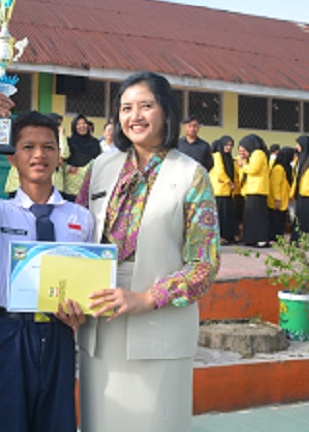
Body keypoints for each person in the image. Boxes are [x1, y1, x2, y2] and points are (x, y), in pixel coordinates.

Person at [72, 71, 220, 431]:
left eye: (145, 106)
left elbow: (204, 265)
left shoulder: (191, 175)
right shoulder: (100, 167)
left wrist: (146, 298)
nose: (134, 116)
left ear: (166, 112)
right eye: (126, 108)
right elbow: (74, 234)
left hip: (159, 323)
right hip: (100, 320)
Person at [0, 108, 91, 432]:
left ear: (59, 156)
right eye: (28, 147)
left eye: (48, 147)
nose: (39, 155)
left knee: (57, 422)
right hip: (10, 334)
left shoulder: (81, 217)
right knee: (4, 422)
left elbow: (88, 282)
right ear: (12, 157)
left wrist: (82, 312)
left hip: (59, 335)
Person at [238, 134, 272, 247]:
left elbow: (254, 169)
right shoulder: (251, 156)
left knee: (258, 216)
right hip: (251, 190)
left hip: (258, 189)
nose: (242, 152)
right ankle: (250, 238)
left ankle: (261, 239)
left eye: (244, 148)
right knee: (250, 216)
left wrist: (243, 164)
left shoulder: (258, 153)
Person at [64, 114, 102, 200]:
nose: (82, 126)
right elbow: (62, 160)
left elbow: (100, 161)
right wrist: (68, 168)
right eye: (78, 124)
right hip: (72, 185)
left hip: (90, 184)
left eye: (84, 123)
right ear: (74, 127)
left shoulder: (95, 143)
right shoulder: (69, 142)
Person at [209, 135, 239, 244]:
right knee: (221, 214)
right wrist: (230, 183)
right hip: (220, 190)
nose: (228, 147)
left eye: (231, 145)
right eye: (226, 145)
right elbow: (220, 171)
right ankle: (220, 236)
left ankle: (228, 236)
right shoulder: (217, 155)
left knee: (227, 214)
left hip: (227, 191)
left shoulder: (229, 157)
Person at [268, 147, 295, 239]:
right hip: (277, 200)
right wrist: (277, 198)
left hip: (284, 199)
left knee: (281, 220)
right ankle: (274, 238)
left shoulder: (287, 168)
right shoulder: (278, 168)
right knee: (276, 220)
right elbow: (275, 185)